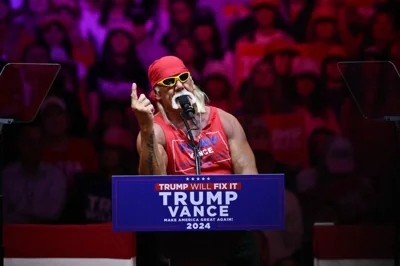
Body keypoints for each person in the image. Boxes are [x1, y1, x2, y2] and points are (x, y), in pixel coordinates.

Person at [131, 55, 260, 266]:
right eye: (169, 82)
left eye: (183, 77)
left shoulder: (226, 121)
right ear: (157, 93)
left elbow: (251, 182)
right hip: (185, 232)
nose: (180, 85)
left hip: (233, 227)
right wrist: (146, 129)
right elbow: (151, 187)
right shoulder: (154, 131)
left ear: (192, 81)